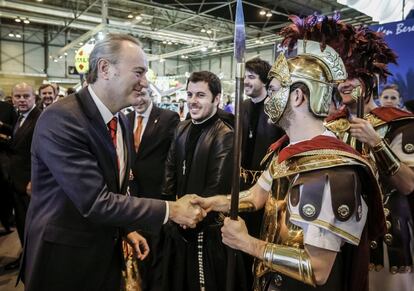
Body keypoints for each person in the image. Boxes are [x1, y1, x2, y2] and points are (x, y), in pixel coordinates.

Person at [195, 41, 385, 291]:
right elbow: (255, 196)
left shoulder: (330, 169)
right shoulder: (288, 151)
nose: (269, 98)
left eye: (273, 90)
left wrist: (247, 243)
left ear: (297, 96)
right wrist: (208, 203)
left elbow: (317, 270)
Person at [20, 33, 205, 291]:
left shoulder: (120, 122)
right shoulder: (62, 119)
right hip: (64, 262)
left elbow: (114, 188)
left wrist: (126, 229)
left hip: (103, 256)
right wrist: (171, 210)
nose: (145, 82)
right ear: (105, 69)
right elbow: (95, 201)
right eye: (138, 72)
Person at [281, 14, 414, 291]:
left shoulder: (399, 123)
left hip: (386, 245)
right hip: (338, 242)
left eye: (352, 74)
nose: (344, 82)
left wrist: (377, 143)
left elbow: (408, 184)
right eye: (339, 75)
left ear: (368, 77)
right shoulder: (329, 126)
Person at [161, 71, 246, 291]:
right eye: (189, 94)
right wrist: (172, 208)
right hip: (178, 225)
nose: (192, 101)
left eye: (200, 95)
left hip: (207, 231)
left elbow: (216, 187)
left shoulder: (225, 134)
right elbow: (169, 171)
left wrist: (190, 217)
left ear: (216, 99)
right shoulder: (182, 127)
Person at [127, 86, 180, 290]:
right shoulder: (126, 119)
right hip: (132, 196)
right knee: (137, 248)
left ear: (150, 94)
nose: (138, 100)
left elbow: (173, 156)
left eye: (142, 95)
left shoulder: (168, 118)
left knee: (157, 250)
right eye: (135, 95)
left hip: (157, 195)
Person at [240, 57, 285, 288]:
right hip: (242, 187)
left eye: (250, 77)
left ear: (264, 81)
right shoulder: (243, 107)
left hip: (267, 189)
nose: (245, 81)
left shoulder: (276, 108)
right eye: (245, 76)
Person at [6, 83, 41, 270]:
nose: (21, 100)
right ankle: (25, 260)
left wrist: (35, 180)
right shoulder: (20, 118)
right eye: (17, 96)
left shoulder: (40, 118)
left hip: (30, 186)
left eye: (26, 96)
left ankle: (32, 265)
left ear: (34, 98)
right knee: (22, 225)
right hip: (16, 183)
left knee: (32, 227)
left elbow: (43, 154)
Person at [0, 100, 17, 236]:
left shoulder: (7, 108)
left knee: (5, 187)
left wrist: (2, 127)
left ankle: (7, 221)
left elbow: (17, 130)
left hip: (3, 154)